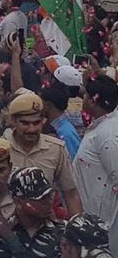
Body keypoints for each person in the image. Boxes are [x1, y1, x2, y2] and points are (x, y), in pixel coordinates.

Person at [5, 92, 81, 214]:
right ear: (13, 121)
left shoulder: (56, 149)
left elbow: (70, 193)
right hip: (7, 226)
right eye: (25, 123)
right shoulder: (1, 148)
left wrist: (78, 227)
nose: (32, 129)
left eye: (36, 123)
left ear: (43, 120)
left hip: (43, 224)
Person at [70, 74, 118, 258]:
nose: (83, 99)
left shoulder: (109, 133)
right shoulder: (102, 126)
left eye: (86, 96)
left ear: (92, 101)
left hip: (105, 220)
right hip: (93, 216)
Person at [0, 167, 63, 258]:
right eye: (40, 198)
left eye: (49, 196)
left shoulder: (63, 232)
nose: (48, 202)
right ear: (18, 202)